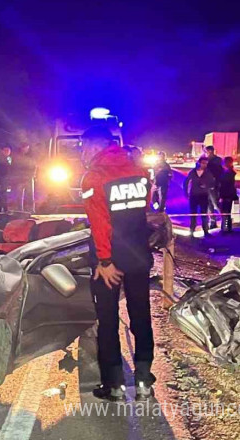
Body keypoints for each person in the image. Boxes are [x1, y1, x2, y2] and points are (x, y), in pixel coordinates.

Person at [79, 126, 156, 402]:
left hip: (110, 259)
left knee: (108, 319)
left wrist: (105, 261)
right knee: (141, 314)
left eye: (83, 148)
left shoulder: (94, 178)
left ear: (93, 147)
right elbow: (144, 207)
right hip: (138, 254)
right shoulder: (140, 171)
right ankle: (145, 379)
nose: (81, 153)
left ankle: (114, 384)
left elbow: (100, 225)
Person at [183, 157, 216, 237]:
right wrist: (186, 193)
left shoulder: (208, 173)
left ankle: (206, 231)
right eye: (203, 163)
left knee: (204, 214)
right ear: (199, 163)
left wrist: (206, 186)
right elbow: (186, 182)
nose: (204, 165)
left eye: (206, 163)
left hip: (203, 196)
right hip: (193, 195)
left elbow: (212, 184)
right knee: (193, 214)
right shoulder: (193, 172)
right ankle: (191, 231)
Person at [13, 144, 38, 212]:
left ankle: (31, 210)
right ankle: (20, 209)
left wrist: (33, 174)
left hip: (29, 178)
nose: (25, 149)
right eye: (24, 148)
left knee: (30, 195)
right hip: (20, 178)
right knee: (19, 195)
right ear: (21, 148)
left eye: (27, 148)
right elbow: (14, 167)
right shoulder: (17, 157)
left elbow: (35, 166)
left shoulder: (31, 156)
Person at [204, 146, 224, 227]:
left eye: (207, 151)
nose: (207, 153)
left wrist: (216, 182)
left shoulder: (216, 160)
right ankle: (212, 221)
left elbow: (219, 172)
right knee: (208, 204)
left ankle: (224, 220)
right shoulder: (206, 160)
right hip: (207, 185)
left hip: (213, 185)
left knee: (215, 202)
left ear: (210, 151)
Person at [217, 156, 238, 233]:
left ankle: (225, 229)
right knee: (226, 212)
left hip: (227, 195)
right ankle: (226, 228)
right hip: (228, 195)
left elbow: (226, 186)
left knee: (225, 212)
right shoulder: (228, 172)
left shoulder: (228, 173)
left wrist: (222, 196)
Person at [0, 147, 14, 213]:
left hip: (5, 179)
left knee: (4, 195)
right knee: (2, 195)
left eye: (9, 151)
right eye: (6, 151)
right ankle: (2, 209)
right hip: (1, 179)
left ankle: (3, 209)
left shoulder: (7, 159)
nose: (8, 152)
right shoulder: (0, 159)